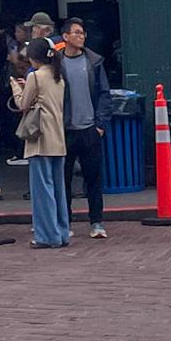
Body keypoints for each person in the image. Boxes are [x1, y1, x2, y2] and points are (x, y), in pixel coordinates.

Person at [57, 17, 111, 237]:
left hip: (89, 129)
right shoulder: (56, 64)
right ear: (65, 37)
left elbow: (104, 93)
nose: (81, 36)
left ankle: (96, 222)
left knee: (94, 178)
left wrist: (100, 124)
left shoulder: (94, 62)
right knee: (64, 179)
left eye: (83, 33)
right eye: (76, 32)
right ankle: (65, 222)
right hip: (65, 130)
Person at [15, 35, 70, 248]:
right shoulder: (59, 76)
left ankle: (46, 236)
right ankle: (62, 232)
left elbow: (23, 104)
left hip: (39, 138)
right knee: (57, 188)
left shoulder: (35, 76)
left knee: (41, 190)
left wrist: (16, 88)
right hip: (58, 137)